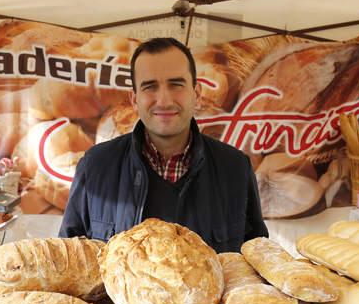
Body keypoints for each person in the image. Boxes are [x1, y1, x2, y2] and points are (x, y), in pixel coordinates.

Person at [60, 37, 268, 252]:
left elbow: (258, 260)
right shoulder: (97, 166)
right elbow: (68, 261)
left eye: (176, 85)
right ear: (134, 99)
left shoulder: (235, 168)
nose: (164, 100)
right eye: (150, 87)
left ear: (196, 95)